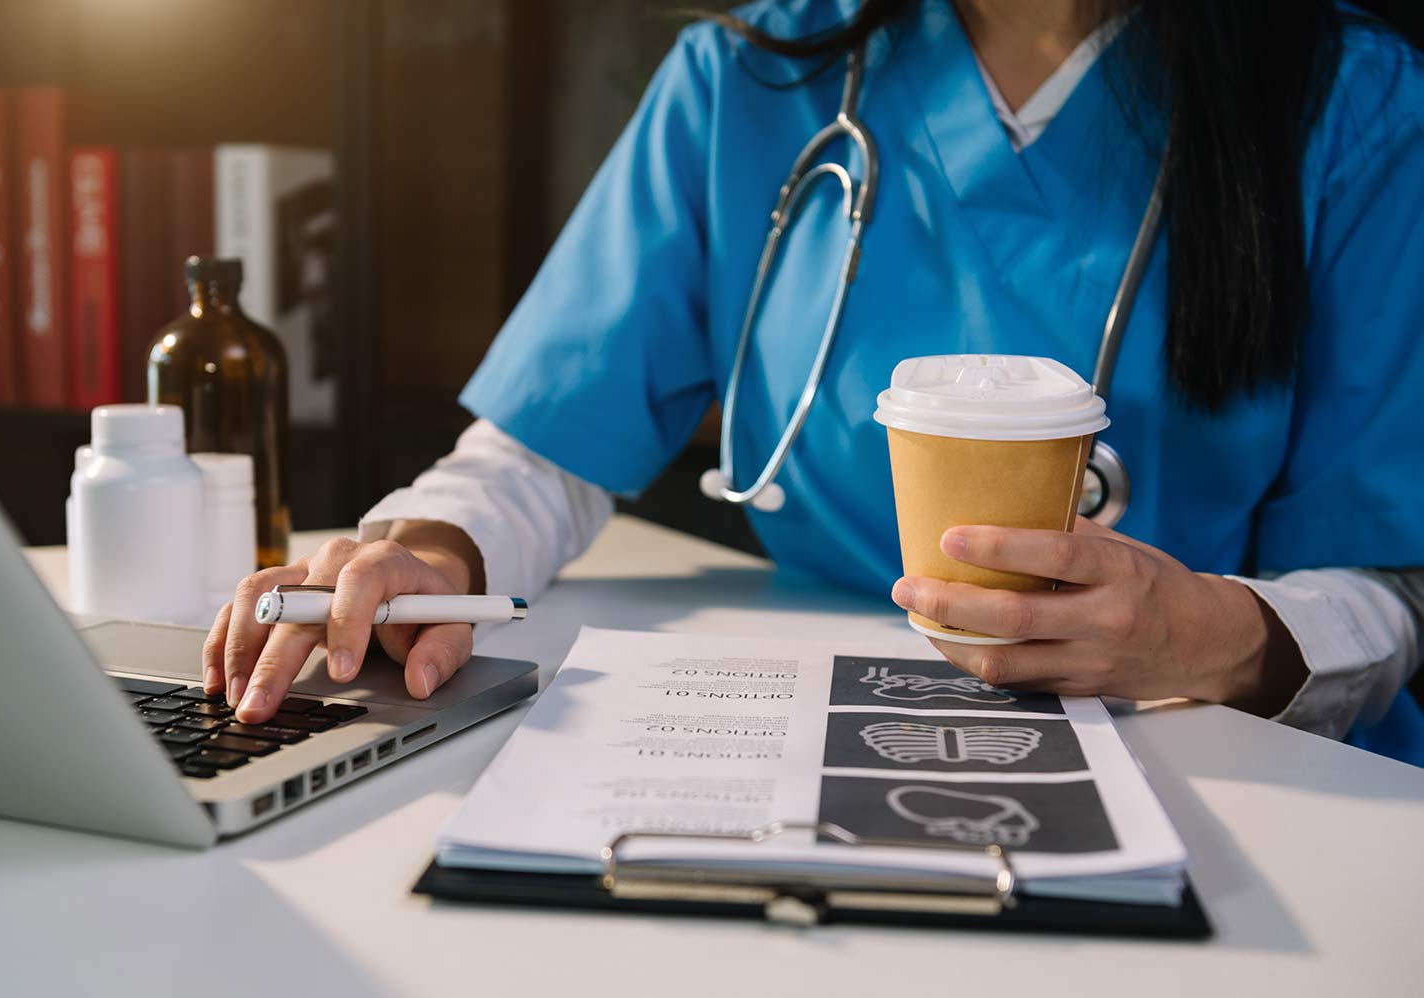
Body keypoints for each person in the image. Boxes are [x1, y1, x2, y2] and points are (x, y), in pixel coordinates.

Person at [204, 0, 1424, 764]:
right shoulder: (744, 81)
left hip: (1219, 749)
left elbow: (1392, 583)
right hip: (801, 726)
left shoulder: (1354, 102)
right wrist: (433, 553)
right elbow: (538, 450)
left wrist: (1200, 638)